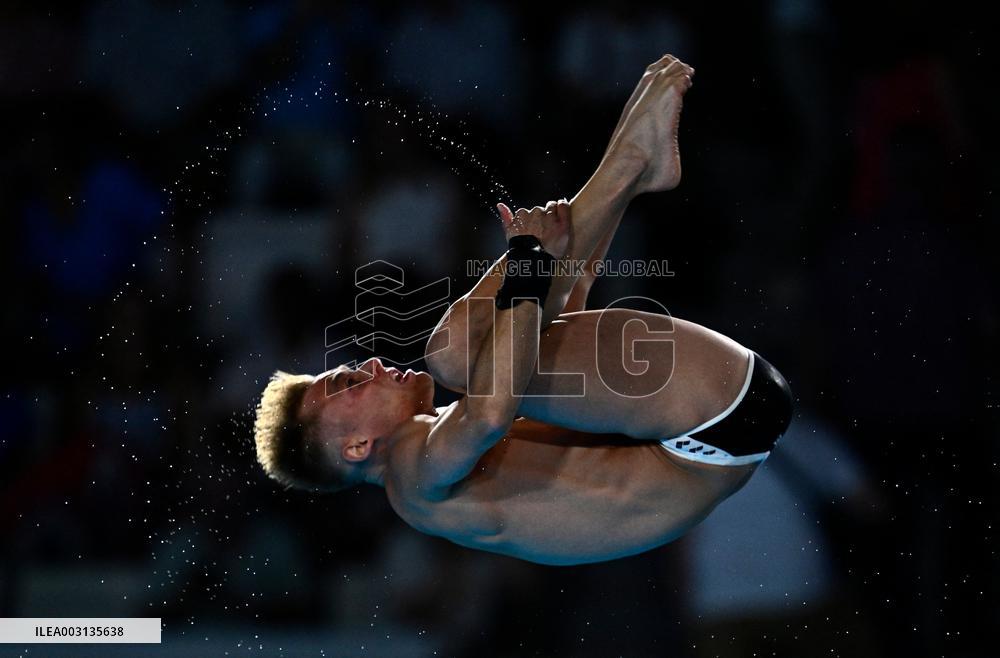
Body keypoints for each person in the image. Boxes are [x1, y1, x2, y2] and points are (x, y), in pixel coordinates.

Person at [254, 55, 793, 566]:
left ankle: (633, 167)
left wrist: (555, 247)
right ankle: (629, 162)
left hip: (725, 423)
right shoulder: (410, 479)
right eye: (350, 382)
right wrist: (528, 260)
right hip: (707, 425)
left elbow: (565, 302)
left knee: (510, 328)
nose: (368, 365)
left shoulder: (439, 450)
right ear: (356, 447)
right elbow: (488, 414)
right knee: (454, 355)